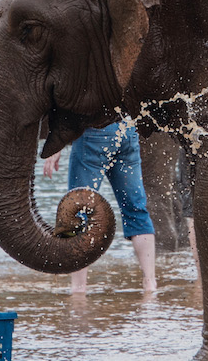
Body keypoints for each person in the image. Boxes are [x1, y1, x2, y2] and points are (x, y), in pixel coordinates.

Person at [42, 120, 156, 293]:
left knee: (78, 212)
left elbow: (75, 100)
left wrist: (57, 142)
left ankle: (78, 290)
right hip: (128, 129)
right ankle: (150, 283)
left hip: (94, 131)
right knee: (136, 209)